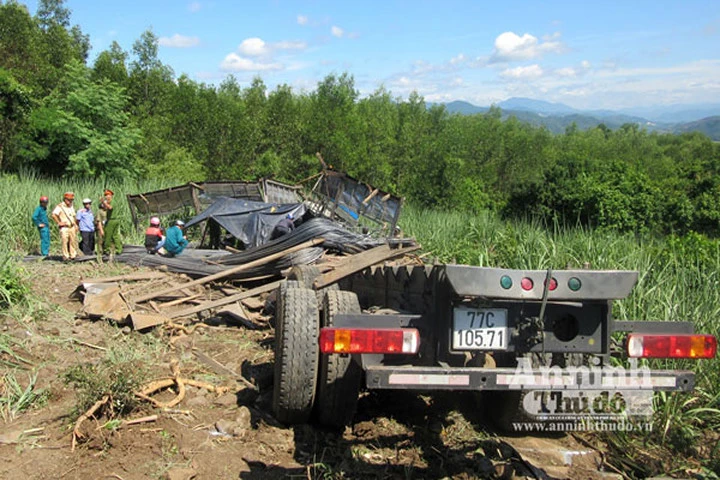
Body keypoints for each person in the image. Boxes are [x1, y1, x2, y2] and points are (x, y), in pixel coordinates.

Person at [51, 192, 79, 261]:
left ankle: (73, 255)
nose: (70, 201)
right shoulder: (60, 206)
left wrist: (76, 225)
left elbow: (73, 216)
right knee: (64, 241)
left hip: (71, 226)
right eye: (69, 200)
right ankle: (65, 256)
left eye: (71, 200)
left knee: (73, 241)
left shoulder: (71, 206)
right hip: (65, 227)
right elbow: (54, 215)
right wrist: (59, 222)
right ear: (65, 199)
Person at [99, 189, 122, 257]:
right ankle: (119, 249)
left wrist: (104, 202)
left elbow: (110, 208)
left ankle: (107, 250)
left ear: (111, 195)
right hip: (116, 220)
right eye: (105, 195)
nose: (106, 197)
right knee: (115, 236)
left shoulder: (112, 202)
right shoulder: (112, 202)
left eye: (107, 195)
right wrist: (103, 203)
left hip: (112, 220)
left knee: (108, 235)